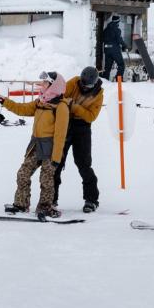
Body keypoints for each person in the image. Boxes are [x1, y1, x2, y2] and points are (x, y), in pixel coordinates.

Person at [0, 73, 70, 218]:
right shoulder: (40, 101)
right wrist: (6, 102)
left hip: (51, 148)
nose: (42, 84)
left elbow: (60, 135)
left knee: (46, 179)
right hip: (36, 145)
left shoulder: (61, 107)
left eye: (45, 83)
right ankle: (21, 204)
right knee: (23, 173)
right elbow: (23, 109)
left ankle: (45, 207)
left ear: (53, 86)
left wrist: (56, 157)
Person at [55, 67, 105, 212]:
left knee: (84, 164)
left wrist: (75, 107)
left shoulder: (98, 94)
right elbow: (61, 98)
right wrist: (68, 106)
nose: (84, 87)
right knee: (57, 162)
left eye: (87, 85)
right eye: (82, 84)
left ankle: (91, 199)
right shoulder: (74, 82)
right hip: (66, 124)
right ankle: (51, 198)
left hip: (83, 128)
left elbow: (91, 116)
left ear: (94, 83)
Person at [101, 17, 126, 82]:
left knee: (107, 67)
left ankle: (105, 81)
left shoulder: (106, 30)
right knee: (121, 64)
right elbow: (119, 39)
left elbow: (102, 39)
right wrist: (124, 46)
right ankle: (118, 80)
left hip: (107, 49)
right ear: (117, 22)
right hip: (114, 50)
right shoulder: (117, 30)